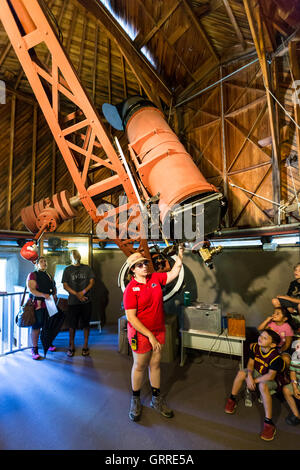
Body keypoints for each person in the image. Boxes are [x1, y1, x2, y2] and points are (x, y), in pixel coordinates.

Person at [123, 245, 184, 422]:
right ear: (133, 270)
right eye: (140, 265)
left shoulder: (155, 278)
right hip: (141, 334)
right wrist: (149, 335)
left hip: (158, 330)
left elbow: (174, 272)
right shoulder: (130, 289)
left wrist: (180, 255)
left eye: (144, 263)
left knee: (156, 364)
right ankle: (135, 400)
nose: (144, 266)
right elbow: (132, 318)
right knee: (140, 365)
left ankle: (156, 400)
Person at [224, 328, 286, 441]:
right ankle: (232, 399)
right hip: (259, 373)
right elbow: (251, 363)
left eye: (265, 338)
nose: (260, 338)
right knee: (242, 373)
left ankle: (269, 423)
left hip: (273, 380)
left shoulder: (276, 357)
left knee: (263, 385)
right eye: (261, 335)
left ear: (272, 345)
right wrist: (249, 377)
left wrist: (253, 381)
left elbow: (270, 376)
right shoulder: (255, 347)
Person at [62, 250, 95, 357]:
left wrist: (83, 292)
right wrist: (77, 294)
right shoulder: (67, 269)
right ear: (70, 257)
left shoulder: (87, 268)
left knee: (86, 324)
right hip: (73, 302)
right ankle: (71, 346)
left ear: (79, 256)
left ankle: (85, 346)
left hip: (86, 301)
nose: (75, 256)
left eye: (76, 254)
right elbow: (65, 285)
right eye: (73, 255)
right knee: (72, 325)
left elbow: (92, 282)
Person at [27, 256, 57, 360]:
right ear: (37, 264)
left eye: (45, 261)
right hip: (38, 304)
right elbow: (31, 289)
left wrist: (54, 294)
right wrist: (44, 295)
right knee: (36, 327)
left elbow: (53, 287)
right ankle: (34, 349)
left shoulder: (49, 275)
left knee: (48, 325)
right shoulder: (33, 275)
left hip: (50, 303)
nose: (44, 263)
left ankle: (47, 344)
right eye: (41, 261)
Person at [283, 339, 300, 425]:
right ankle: (296, 414)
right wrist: (294, 387)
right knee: (286, 390)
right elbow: (293, 373)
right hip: (298, 383)